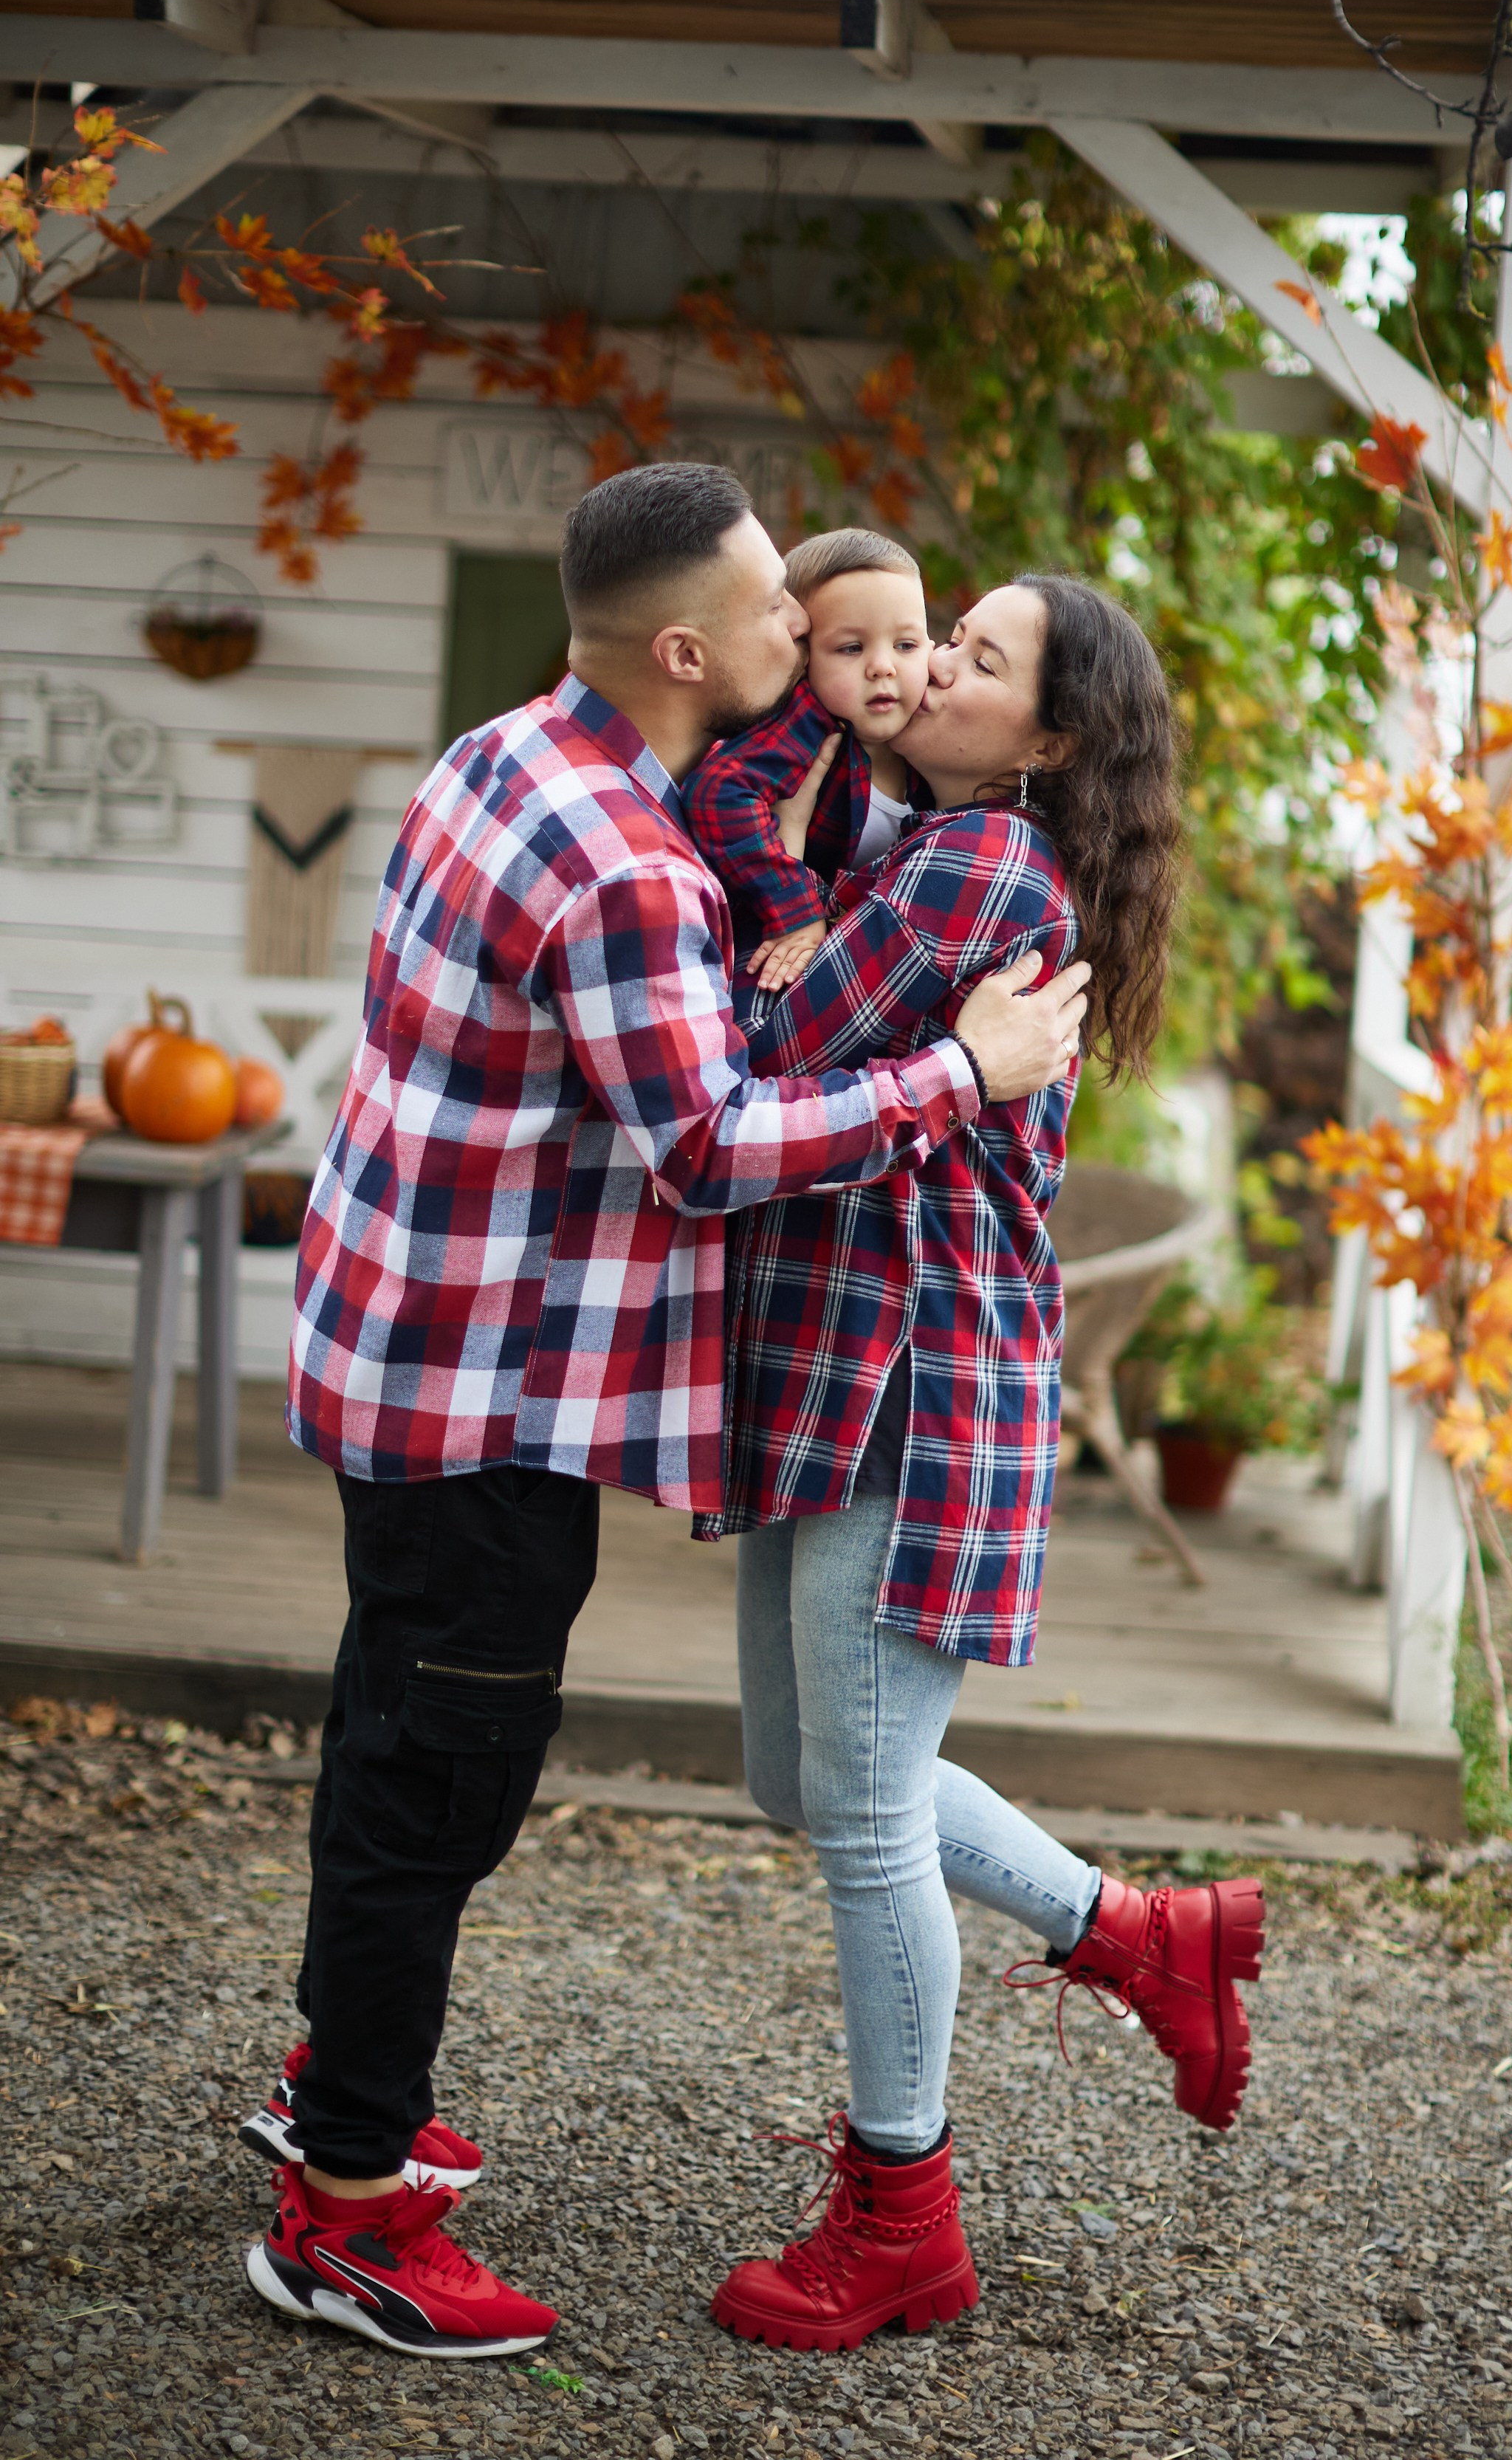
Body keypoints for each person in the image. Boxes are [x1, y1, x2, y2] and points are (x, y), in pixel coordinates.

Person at [238, 463, 1090, 2362]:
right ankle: (347, 2210)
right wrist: (964, 1065)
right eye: (788, 609)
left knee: (389, 1740)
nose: (828, 632)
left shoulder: (498, 753)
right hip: (495, 1394)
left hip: (393, 1349)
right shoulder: (624, 858)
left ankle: (334, 2095)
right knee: (433, 1790)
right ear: (690, 645)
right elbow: (708, 1144)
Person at [699, 575, 1265, 2355]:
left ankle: (900, 2220)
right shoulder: (914, 845)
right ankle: (1138, 1933)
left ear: (1048, 739)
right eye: (938, 636)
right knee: (807, 1779)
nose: (928, 663)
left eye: (978, 656)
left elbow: (762, 1057)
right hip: (847, 1380)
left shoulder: (972, 869)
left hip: (907, 1388)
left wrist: (759, 961)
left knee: (860, 1822)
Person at [685, 525, 932, 996]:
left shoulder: (930, 734)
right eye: (851, 648)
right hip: (763, 948)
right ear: (804, 660)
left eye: (906, 645)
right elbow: (718, 794)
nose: (884, 666)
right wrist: (795, 908)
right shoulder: (809, 724)